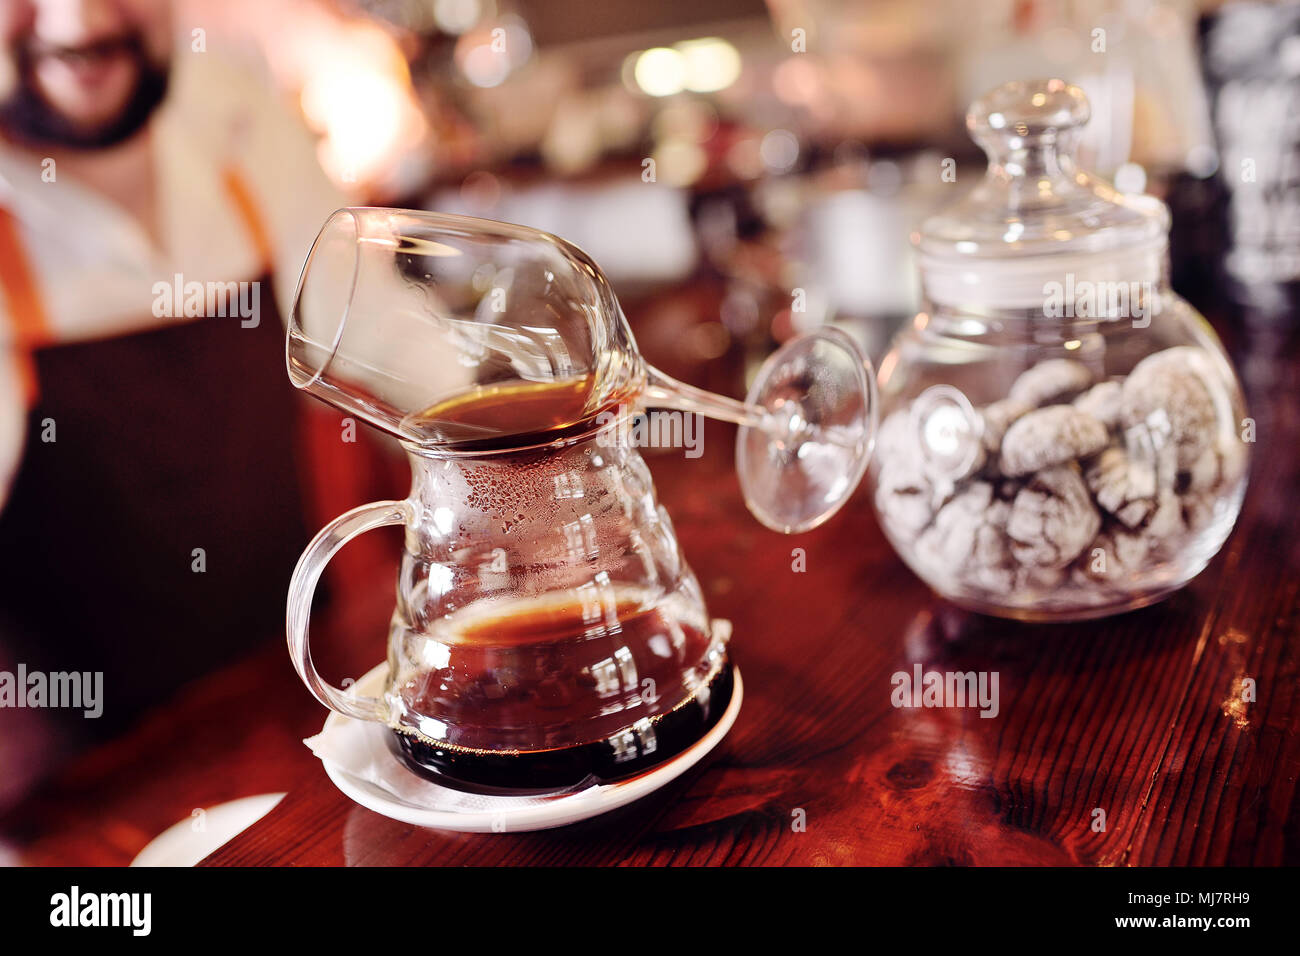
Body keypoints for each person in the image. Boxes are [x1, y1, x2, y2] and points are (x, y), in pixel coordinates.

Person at [0, 0, 350, 798]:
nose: (79, 20)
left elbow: (389, 340)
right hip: (89, 791)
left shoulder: (231, 107)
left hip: (307, 702)